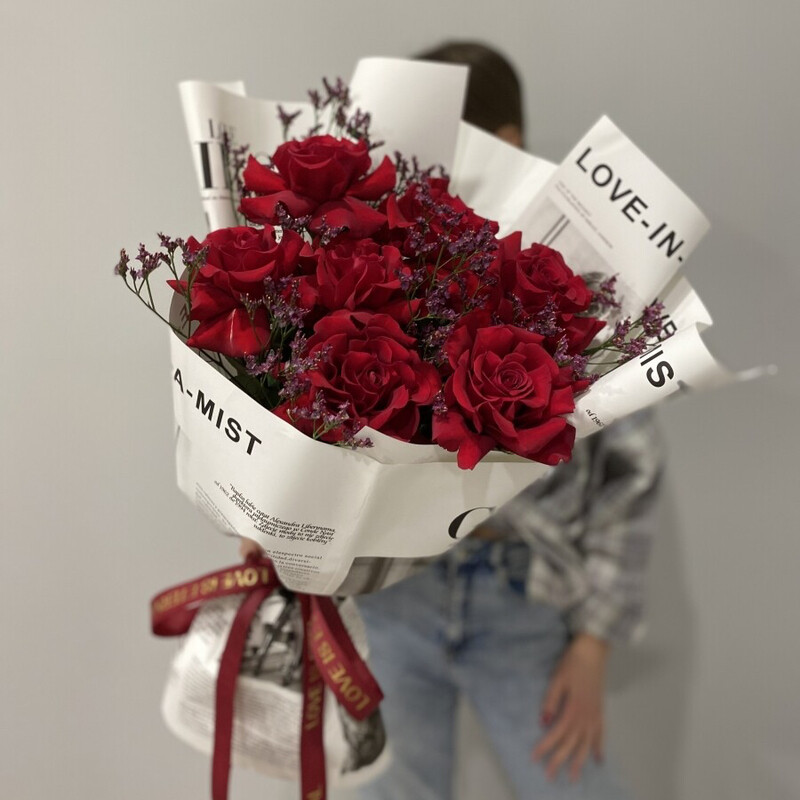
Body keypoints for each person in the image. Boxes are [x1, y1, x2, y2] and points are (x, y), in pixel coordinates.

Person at [243, 41, 664, 799]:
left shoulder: (579, 277)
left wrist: (595, 641)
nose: (423, 169)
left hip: (522, 595)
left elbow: (631, 468)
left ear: (504, 143)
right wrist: (274, 523)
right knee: (392, 787)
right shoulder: (398, 257)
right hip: (395, 594)